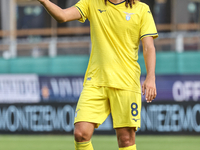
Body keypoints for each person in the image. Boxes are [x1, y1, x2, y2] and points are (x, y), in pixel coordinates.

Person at [37, 0, 158, 149]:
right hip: (96, 81)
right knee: (80, 134)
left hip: (126, 81)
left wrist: (150, 76)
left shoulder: (141, 9)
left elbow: (148, 47)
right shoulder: (91, 3)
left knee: (126, 139)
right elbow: (62, 16)